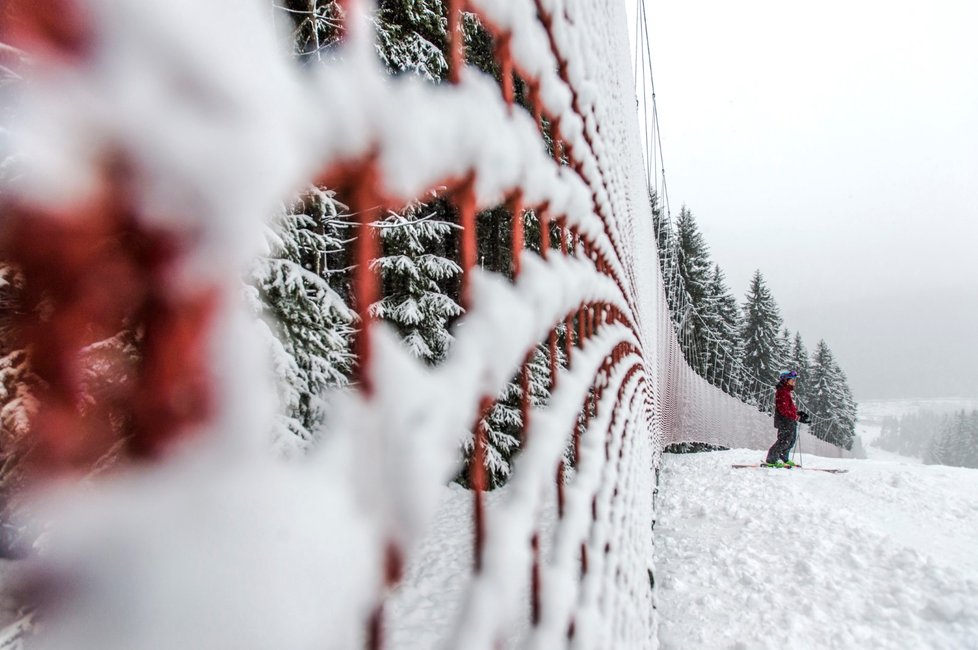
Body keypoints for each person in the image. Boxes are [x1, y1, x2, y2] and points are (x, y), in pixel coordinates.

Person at [764, 370, 809, 467]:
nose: (794, 382)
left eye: (794, 380)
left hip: (790, 420)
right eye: (792, 380)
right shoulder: (782, 391)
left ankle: (784, 457)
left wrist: (798, 413)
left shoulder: (787, 391)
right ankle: (771, 460)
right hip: (784, 421)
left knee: (791, 441)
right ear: (785, 380)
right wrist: (796, 416)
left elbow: (789, 407)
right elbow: (783, 409)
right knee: (784, 440)